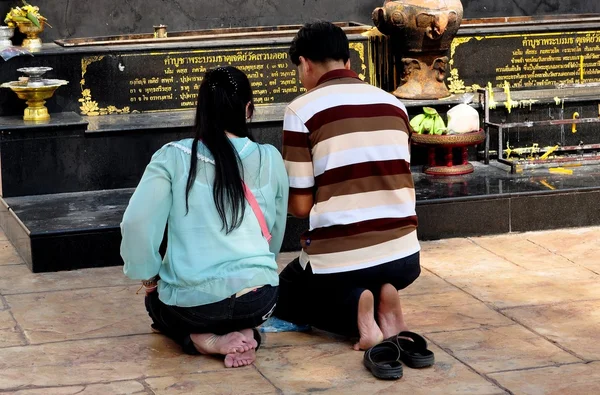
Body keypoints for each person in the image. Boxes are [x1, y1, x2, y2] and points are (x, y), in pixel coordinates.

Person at [120, 66, 289, 368]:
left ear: (201, 111)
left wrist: (149, 278)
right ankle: (247, 330)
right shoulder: (270, 157)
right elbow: (274, 232)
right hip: (260, 300)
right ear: (249, 109)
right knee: (246, 301)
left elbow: (136, 223)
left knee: (157, 304)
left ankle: (202, 339)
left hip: (195, 309)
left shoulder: (173, 156)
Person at [274, 21, 421, 351]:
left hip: (341, 261)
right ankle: (386, 304)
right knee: (363, 267)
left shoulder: (301, 110)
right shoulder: (394, 105)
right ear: (348, 62)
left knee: (284, 295)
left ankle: (360, 315)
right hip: (404, 258)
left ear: (305, 63)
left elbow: (299, 207)